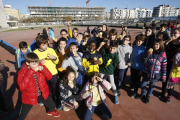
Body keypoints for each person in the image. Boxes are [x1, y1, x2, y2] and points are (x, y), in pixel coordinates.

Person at [16, 53, 60, 120]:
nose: (36, 65)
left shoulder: (40, 66)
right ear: (27, 63)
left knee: (52, 105)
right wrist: (31, 71)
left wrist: (43, 69)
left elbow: (49, 77)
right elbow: (21, 87)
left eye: (37, 63)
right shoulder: (21, 72)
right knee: (22, 116)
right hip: (29, 96)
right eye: (33, 64)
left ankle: (50, 111)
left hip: (41, 94)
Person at [136, 39, 167, 104]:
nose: (155, 46)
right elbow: (143, 61)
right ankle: (142, 94)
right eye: (154, 44)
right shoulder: (149, 51)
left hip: (155, 75)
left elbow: (164, 66)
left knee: (151, 86)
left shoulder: (163, 54)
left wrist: (163, 77)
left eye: (157, 44)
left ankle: (148, 96)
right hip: (146, 72)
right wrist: (147, 54)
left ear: (160, 45)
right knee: (143, 85)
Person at [33, 35, 59, 103]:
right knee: (46, 88)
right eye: (43, 45)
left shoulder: (51, 50)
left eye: (46, 44)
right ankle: (48, 100)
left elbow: (57, 61)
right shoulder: (35, 52)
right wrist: (39, 62)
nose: (45, 46)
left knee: (55, 88)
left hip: (53, 73)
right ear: (38, 44)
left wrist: (54, 58)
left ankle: (56, 100)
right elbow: (33, 64)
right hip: (43, 75)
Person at [159, 28, 180, 100]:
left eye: (175, 33)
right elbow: (162, 50)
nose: (173, 34)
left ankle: (169, 95)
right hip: (166, 63)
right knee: (164, 78)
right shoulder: (168, 42)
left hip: (175, 65)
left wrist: (177, 60)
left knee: (171, 81)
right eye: (172, 32)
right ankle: (163, 92)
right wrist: (167, 41)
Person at [130, 34, 146, 98]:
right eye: (137, 41)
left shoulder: (143, 49)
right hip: (132, 66)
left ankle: (135, 92)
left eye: (139, 41)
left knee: (137, 80)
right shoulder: (133, 47)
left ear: (142, 41)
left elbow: (144, 61)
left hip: (139, 68)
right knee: (132, 78)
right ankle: (132, 86)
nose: (138, 42)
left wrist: (142, 69)